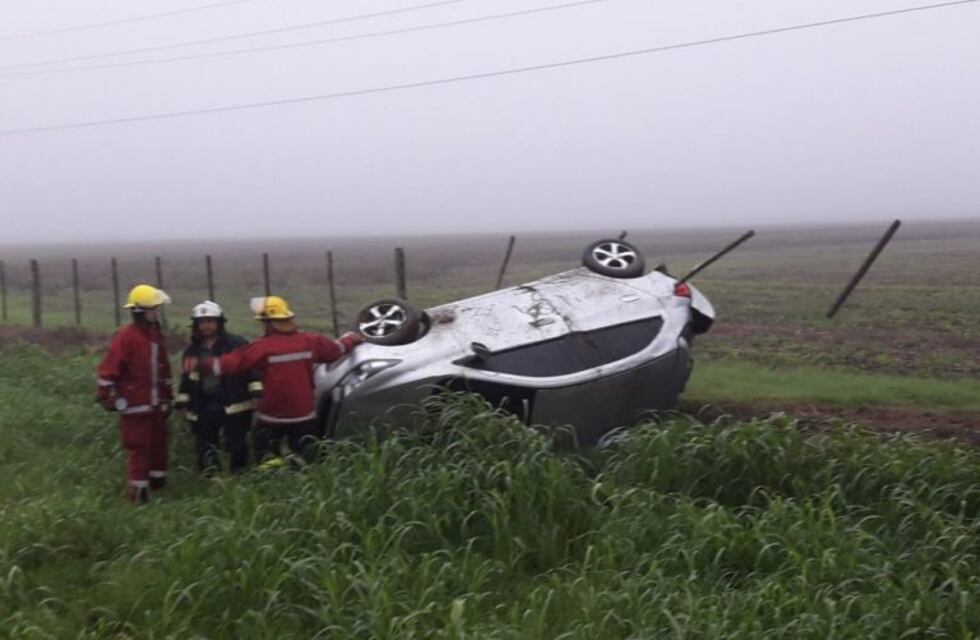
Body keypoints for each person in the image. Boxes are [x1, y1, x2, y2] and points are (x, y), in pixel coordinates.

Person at [187, 295, 362, 464]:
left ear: (270, 323)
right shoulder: (310, 341)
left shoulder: (263, 347)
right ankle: (302, 478)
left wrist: (201, 365)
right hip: (304, 415)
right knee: (306, 459)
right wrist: (351, 339)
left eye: (264, 323)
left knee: (267, 457)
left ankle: (272, 477)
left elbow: (233, 363)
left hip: (273, 417)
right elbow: (335, 351)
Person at [95, 284, 173, 504]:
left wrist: (168, 397)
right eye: (152, 309)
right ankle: (138, 495)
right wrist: (105, 393)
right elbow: (109, 368)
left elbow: (163, 369)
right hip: (134, 404)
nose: (156, 313)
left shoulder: (155, 335)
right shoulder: (126, 337)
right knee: (138, 447)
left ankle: (158, 486)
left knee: (159, 445)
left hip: (155, 405)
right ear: (139, 311)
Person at [174, 301, 259, 475]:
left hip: (234, 402)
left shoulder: (236, 344)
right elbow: (187, 379)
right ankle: (210, 478)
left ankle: (239, 476)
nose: (206, 326)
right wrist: (183, 403)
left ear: (219, 322)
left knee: (237, 444)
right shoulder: (192, 350)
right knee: (205, 446)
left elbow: (252, 372)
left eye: (210, 321)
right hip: (203, 404)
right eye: (201, 322)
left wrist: (256, 394)